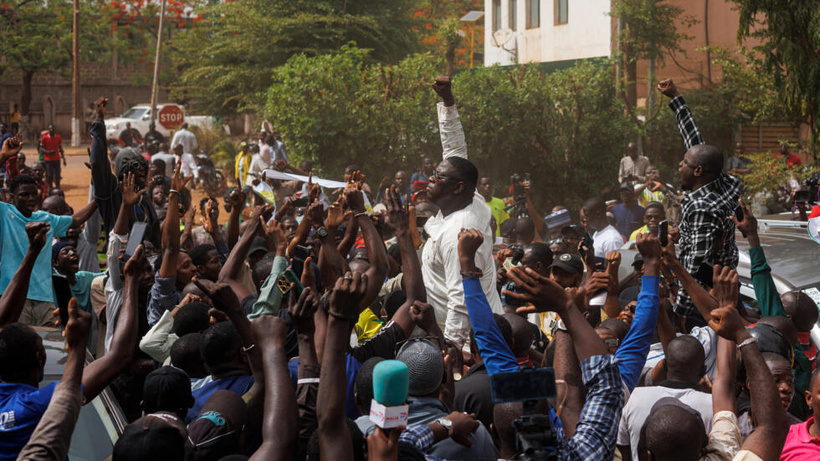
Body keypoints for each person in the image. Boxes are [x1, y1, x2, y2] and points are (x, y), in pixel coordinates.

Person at [423, 76, 503, 347]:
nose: (430, 180)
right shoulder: (472, 198)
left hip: (471, 344)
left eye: (437, 177)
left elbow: (461, 300)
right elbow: (455, 150)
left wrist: (454, 354)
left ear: (457, 187)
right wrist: (448, 102)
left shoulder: (460, 233)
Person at [658, 79, 740, 331]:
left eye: (684, 163)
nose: (679, 166)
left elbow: (695, 267)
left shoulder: (701, 207)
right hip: (724, 283)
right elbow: (695, 142)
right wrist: (676, 99)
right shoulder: (724, 183)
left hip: (704, 300)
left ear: (698, 171)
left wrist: (682, 312)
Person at [39, 124, 65, 189]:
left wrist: (64, 158)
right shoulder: (45, 138)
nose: (51, 130)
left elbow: (60, 148)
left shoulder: (58, 137)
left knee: (57, 174)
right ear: (48, 130)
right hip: (48, 159)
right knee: (49, 174)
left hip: (57, 158)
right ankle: (50, 187)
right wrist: (48, 152)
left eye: (52, 129)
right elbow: (41, 148)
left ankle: (58, 187)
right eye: (50, 129)